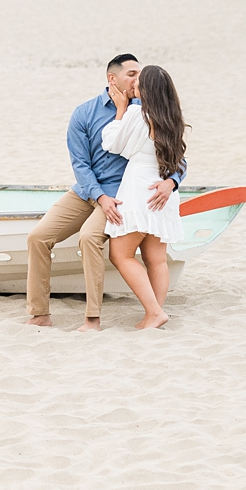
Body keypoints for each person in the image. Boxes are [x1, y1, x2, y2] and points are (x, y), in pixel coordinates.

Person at [25, 54, 183, 331]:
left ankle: (93, 318)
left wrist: (172, 181)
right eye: (132, 74)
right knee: (38, 237)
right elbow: (80, 163)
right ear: (113, 79)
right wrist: (98, 195)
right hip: (89, 191)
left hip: (123, 194)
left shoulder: (144, 109)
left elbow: (175, 157)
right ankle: (39, 313)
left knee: (89, 238)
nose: (137, 79)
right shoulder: (85, 113)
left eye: (140, 75)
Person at [101, 64, 187, 330]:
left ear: (147, 89)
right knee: (156, 259)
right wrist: (172, 182)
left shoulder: (137, 114)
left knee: (121, 255)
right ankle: (156, 312)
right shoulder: (173, 119)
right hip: (161, 190)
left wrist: (119, 111)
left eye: (140, 80)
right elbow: (180, 160)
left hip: (139, 189)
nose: (135, 83)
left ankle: (154, 312)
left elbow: (112, 144)